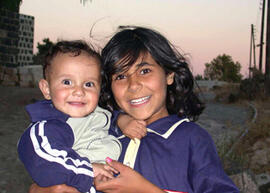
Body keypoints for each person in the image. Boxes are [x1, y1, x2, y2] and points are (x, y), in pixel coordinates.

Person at [29, 26, 240, 193]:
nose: (133, 84)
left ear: (168, 74)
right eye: (120, 76)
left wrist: (146, 190)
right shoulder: (102, 132)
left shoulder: (191, 139)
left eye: (145, 70)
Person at [17, 40, 121, 193]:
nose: (79, 91)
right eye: (67, 82)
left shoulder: (100, 116)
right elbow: (42, 159)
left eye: (89, 84)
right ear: (46, 89)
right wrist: (88, 170)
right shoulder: (50, 126)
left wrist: (122, 120)